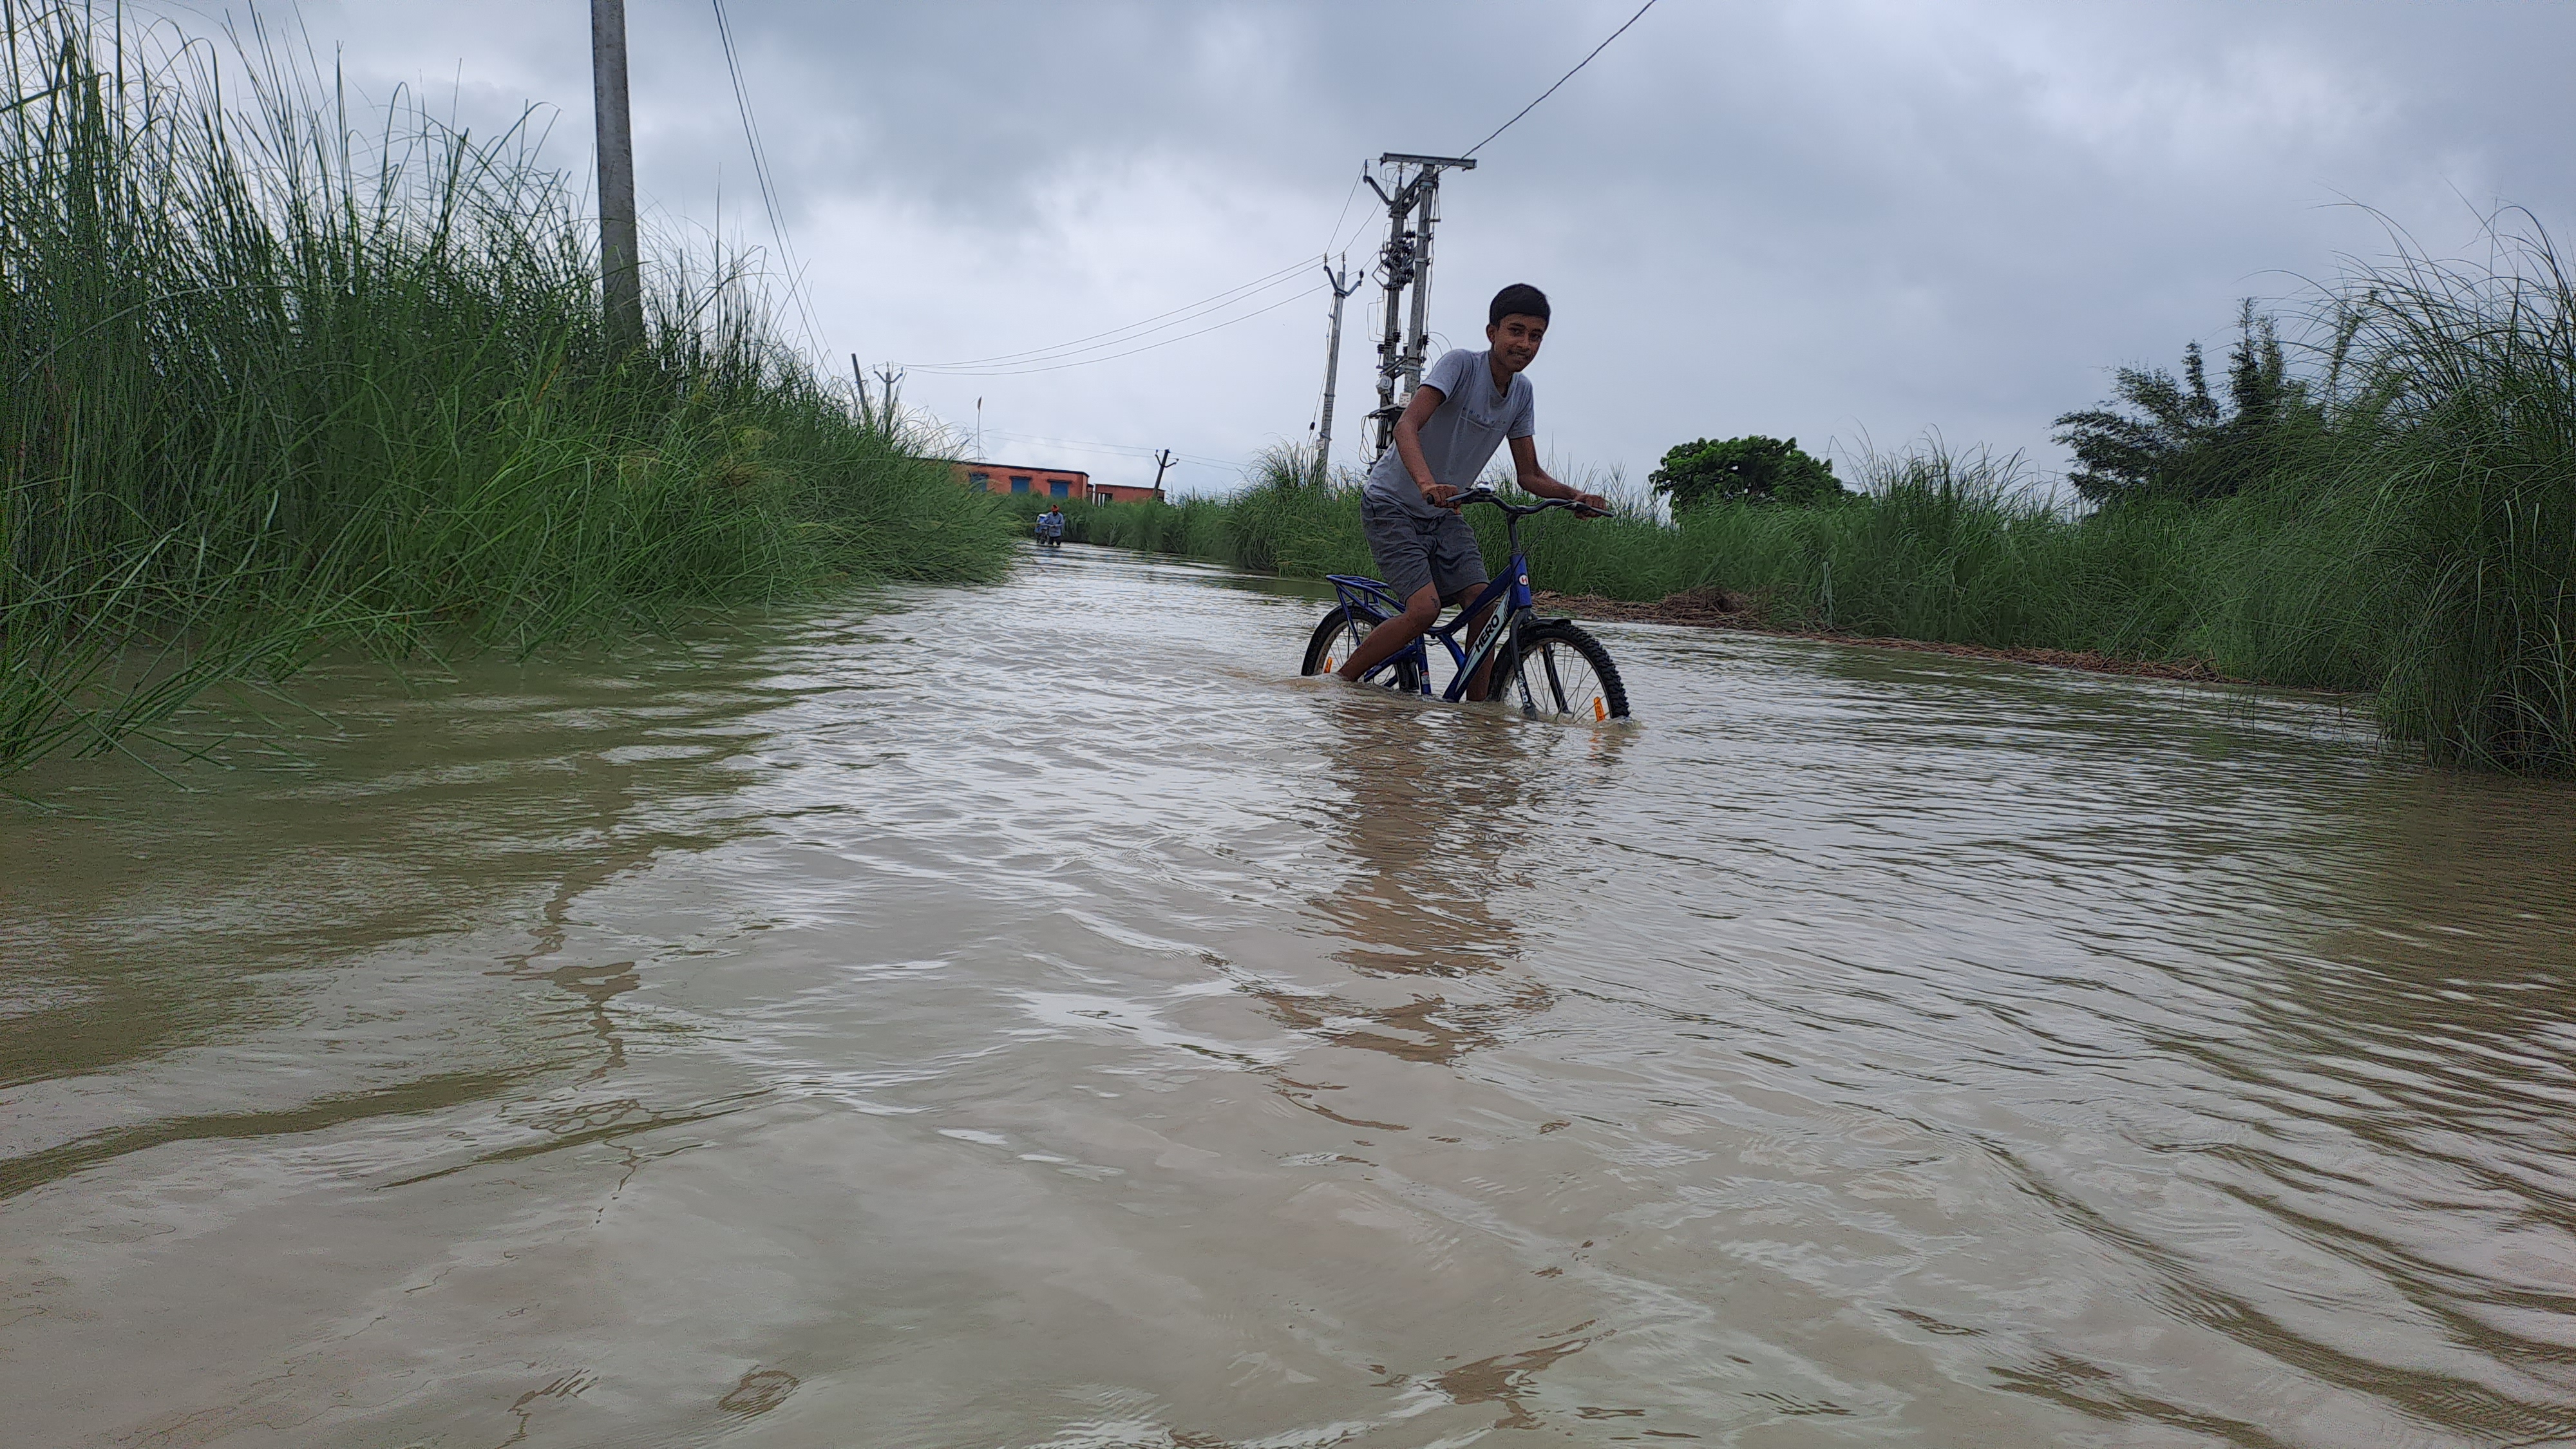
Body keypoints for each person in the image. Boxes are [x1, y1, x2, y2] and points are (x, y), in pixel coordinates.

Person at [1334, 283, 1604, 699]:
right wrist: (1427, 483)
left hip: (1446, 511)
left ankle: (1478, 721)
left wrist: (1575, 497)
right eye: (1516, 331)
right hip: (1392, 503)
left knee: (1485, 608)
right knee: (1424, 610)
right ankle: (1336, 684)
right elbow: (1407, 425)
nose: (1525, 344)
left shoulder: (1522, 393)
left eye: (1536, 337)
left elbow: (1529, 475)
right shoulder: (1461, 365)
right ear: (1491, 332)